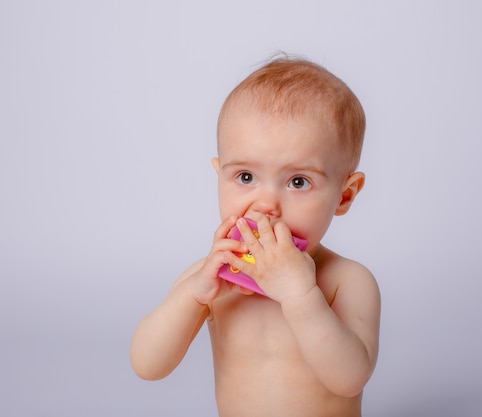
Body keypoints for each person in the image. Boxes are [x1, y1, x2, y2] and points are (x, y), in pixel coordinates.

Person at [130, 56, 381, 417]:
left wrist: (301, 296)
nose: (266, 205)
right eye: (246, 177)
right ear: (220, 175)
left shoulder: (348, 281)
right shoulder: (208, 277)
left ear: (344, 195)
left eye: (298, 182)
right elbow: (147, 365)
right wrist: (192, 296)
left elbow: (350, 379)